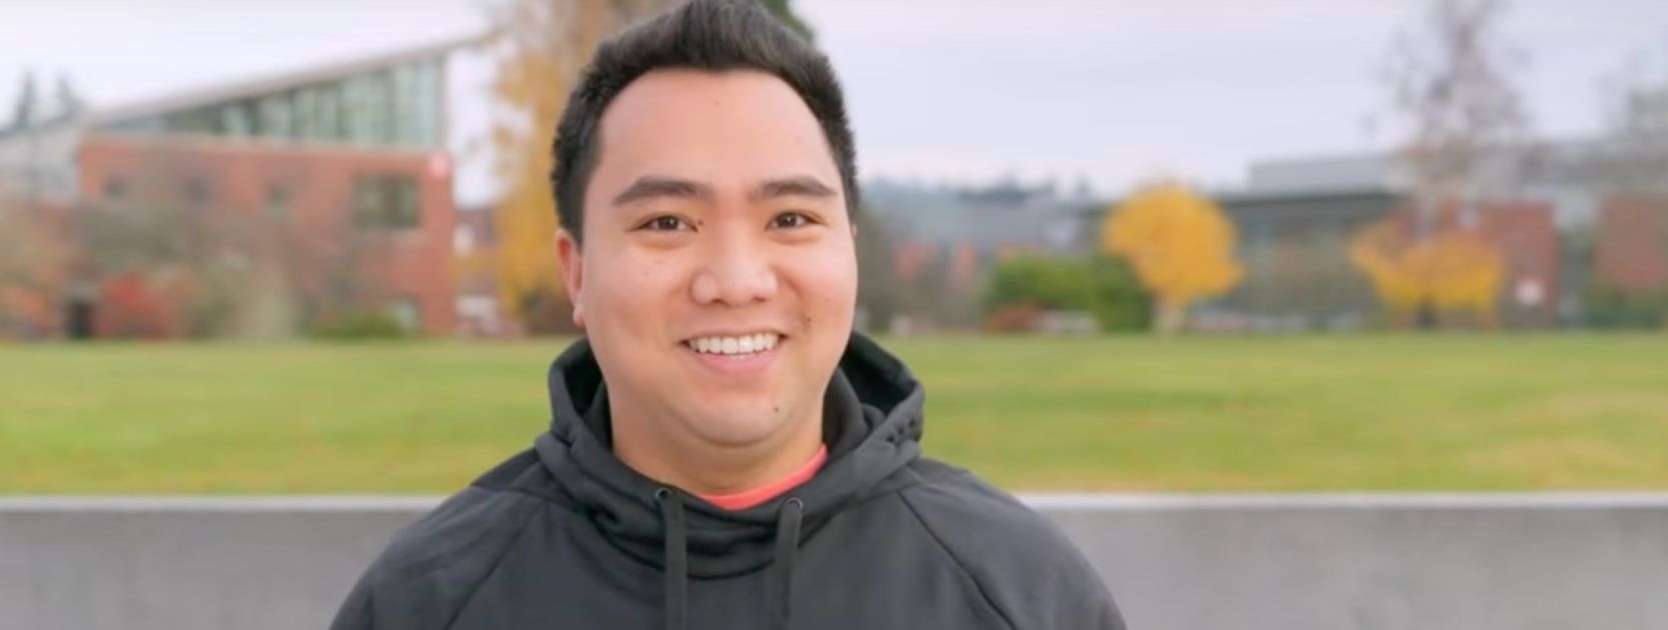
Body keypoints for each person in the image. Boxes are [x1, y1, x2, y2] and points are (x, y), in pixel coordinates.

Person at [331, 1, 1125, 628]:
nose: (737, 280)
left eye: (789, 219)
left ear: (847, 249)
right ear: (576, 273)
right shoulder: (432, 602)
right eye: (667, 223)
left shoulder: (1019, 594)